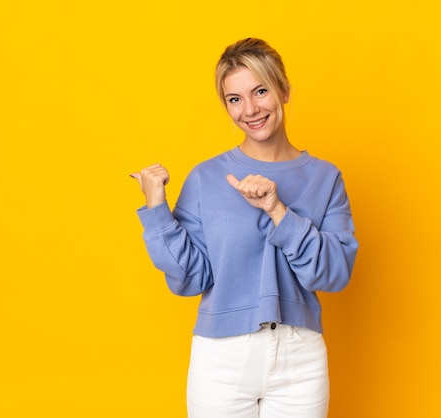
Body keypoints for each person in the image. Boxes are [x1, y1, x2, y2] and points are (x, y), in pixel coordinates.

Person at [131, 37, 358, 418]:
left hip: (299, 357)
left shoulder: (325, 178)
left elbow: (334, 274)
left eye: (260, 91)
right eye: (234, 99)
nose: (249, 109)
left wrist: (277, 210)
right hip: (221, 357)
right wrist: (157, 208)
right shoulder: (206, 178)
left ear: (284, 90)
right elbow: (190, 279)